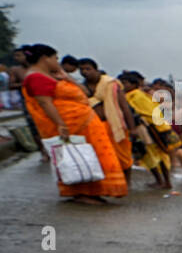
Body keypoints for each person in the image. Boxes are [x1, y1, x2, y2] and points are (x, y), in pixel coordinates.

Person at [19, 44, 127, 202]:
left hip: (83, 122)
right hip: (70, 125)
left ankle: (93, 191)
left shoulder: (52, 75)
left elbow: (85, 91)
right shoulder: (35, 77)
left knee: (90, 157)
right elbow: (45, 103)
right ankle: (82, 193)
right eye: (55, 58)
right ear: (44, 58)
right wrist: (61, 124)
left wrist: (66, 77)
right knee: (78, 157)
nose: (57, 62)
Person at [121, 70, 180, 194]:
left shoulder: (135, 96)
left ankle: (162, 181)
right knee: (158, 155)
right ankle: (163, 181)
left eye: (125, 83)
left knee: (150, 155)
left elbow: (147, 112)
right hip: (157, 128)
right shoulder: (139, 95)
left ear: (133, 84)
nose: (123, 86)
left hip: (150, 129)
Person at [78, 58, 135, 185]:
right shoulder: (82, 87)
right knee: (102, 157)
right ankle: (110, 183)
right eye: (81, 70)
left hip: (116, 125)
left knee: (123, 156)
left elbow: (124, 107)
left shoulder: (110, 84)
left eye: (88, 69)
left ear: (96, 69)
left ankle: (127, 182)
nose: (84, 72)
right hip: (96, 126)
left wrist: (132, 128)